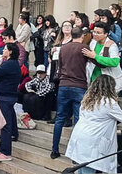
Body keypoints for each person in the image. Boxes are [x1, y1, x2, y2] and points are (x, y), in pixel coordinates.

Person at [65, 75, 122, 173]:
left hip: (80, 136)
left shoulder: (87, 100)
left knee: (82, 168)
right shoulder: (108, 102)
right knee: (88, 168)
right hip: (92, 139)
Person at [51, 27, 89, 159]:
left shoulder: (64, 48)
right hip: (79, 85)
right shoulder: (84, 48)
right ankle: (76, 153)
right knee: (78, 121)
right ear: (82, 36)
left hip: (64, 85)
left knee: (60, 118)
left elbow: (60, 66)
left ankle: (54, 149)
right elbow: (97, 62)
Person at [0, 43, 21, 162]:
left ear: (11, 52)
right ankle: (4, 148)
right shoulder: (12, 64)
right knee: (8, 122)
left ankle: (6, 152)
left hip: (5, 96)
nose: (3, 50)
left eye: (6, 49)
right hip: (7, 96)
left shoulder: (9, 64)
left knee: (5, 124)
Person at [82, 22, 122, 92]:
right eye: (94, 32)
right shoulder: (93, 42)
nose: (95, 34)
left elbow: (115, 62)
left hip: (107, 78)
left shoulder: (111, 45)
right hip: (93, 77)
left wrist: (95, 56)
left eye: (98, 33)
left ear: (106, 34)